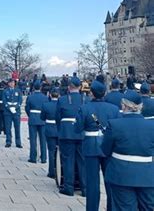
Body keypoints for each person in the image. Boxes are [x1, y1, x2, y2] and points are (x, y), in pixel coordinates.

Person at [101, 90, 154, 211]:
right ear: (141, 107)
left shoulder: (114, 125)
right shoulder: (152, 126)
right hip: (148, 176)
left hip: (121, 175)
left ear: (124, 106)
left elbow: (105, 150)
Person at [75, 80, 121, 211]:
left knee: (92, 182)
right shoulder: (114, 109)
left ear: (91, 94)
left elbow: (77, 129)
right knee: (110, 181)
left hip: (90, 147)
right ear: (105, 93)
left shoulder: (85, 108)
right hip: (108, 147)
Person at [56, 76, 86, 196]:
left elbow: (58, 117)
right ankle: (85, 188)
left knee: (68, 161)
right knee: (83, 162)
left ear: (69, 87)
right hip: (82, 133)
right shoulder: (86, 99)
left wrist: (61, 130)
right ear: (80, 87)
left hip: (66, 133)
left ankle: (68, 187)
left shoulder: (62, 100)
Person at [25, 80, 48, 163]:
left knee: (33, 139)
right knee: (43, 140)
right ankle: (44, 158)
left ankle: (33, 157)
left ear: (34, 87)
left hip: (33, 118)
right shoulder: (45, 97)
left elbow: (27, 108)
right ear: (41, 87)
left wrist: (30, 115)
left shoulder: (30, 97)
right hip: (42, 120)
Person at [41, 88, 59, 179]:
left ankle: (52, 171)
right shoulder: (61, 105)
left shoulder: (46, 105)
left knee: (51, 151)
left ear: (50, 95)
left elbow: (42, 117)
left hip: (50, 129)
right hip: (59, 129)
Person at [2, 78, 23, 148]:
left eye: (13, 82)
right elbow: (4, 101)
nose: (12, 84)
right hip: (8, 112)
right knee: (8, 128)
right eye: (10, 82)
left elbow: (20, 101)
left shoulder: (18, 91)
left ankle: (18, 142)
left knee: (17, 128)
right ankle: (8, 141)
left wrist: (16, 107)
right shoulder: (5, 91)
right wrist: (9, 108)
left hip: (16, 112)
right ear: (8, 83)